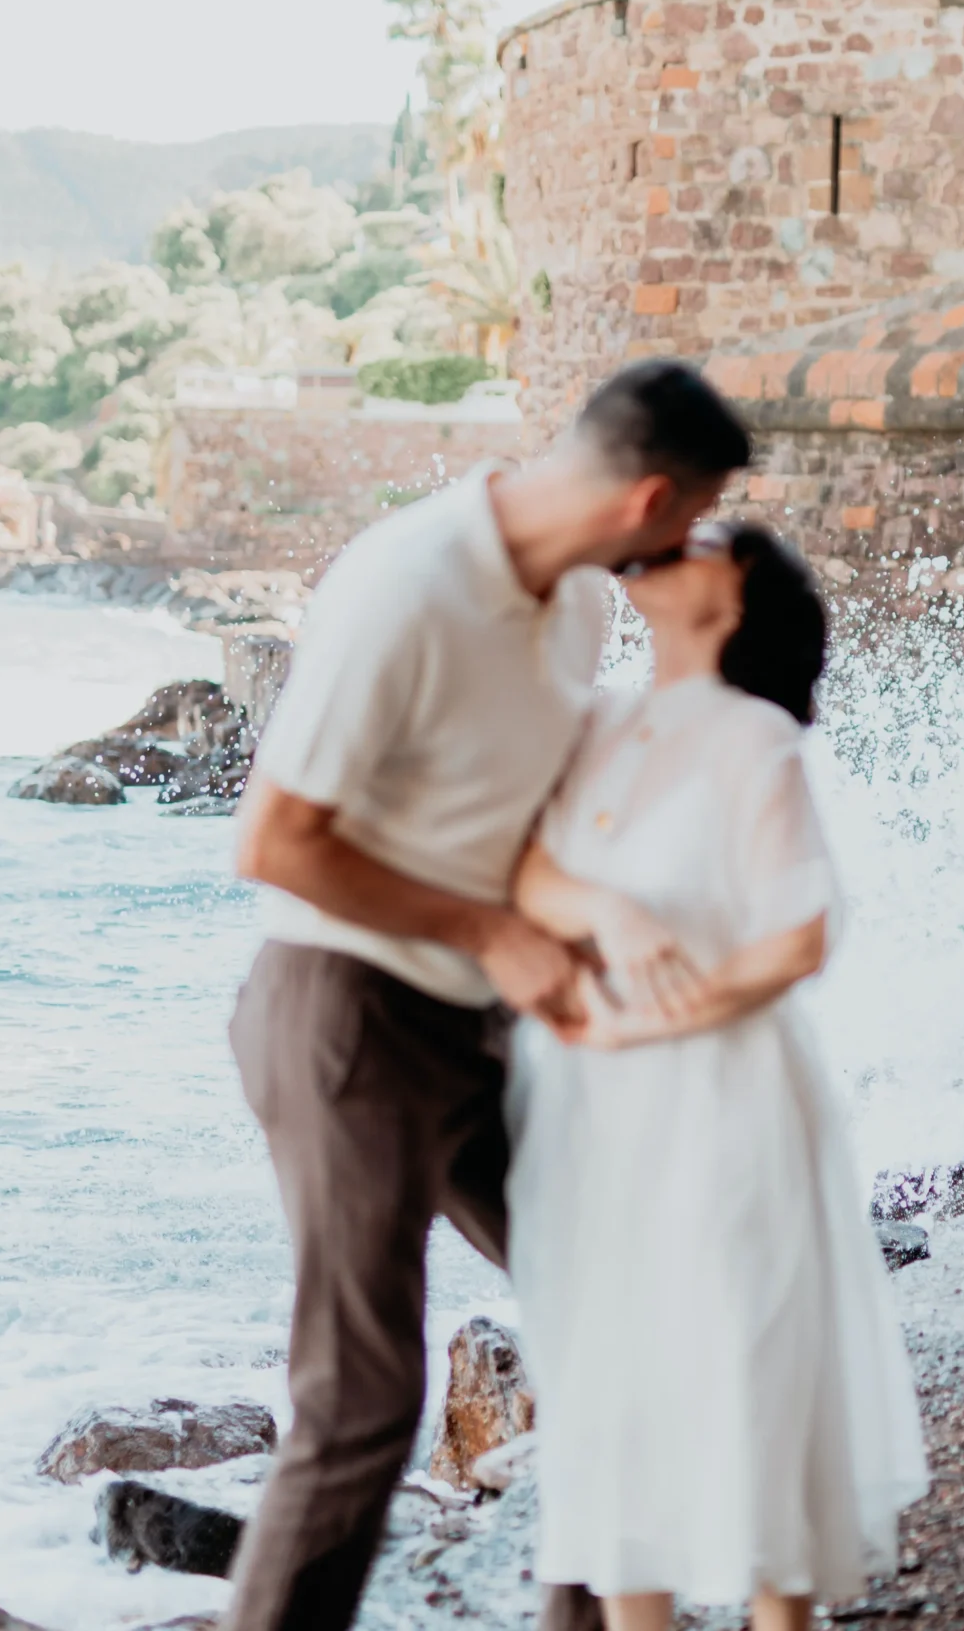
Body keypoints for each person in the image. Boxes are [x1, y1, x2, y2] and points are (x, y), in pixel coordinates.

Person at [222, 361, 752, 1631]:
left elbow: (510, 825)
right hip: (341, 1012)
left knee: (624, 1315)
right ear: (650, 500)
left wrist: (589, 920)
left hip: (477, 1023)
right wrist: (489, 930)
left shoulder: (572, 608)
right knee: (360, 1403)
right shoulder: (404, 589)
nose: (688, 548)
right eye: (690, 523)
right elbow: (277, 842)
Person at [506, 521, 930, 1631]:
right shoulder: (594, 720)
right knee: (612, 1373)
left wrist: (651, 1021)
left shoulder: (754, 740)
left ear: (731, 605)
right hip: (588, 1101)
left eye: (707, 546)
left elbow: (800, 936)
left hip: (720, 1094)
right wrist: (606, 915)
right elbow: (524, 870)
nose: (673, 544)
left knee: (744, 1355)